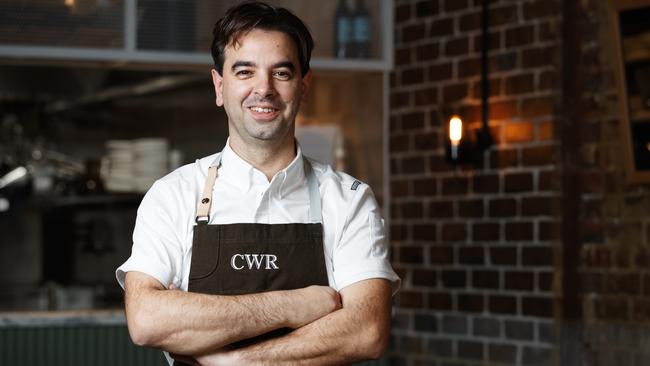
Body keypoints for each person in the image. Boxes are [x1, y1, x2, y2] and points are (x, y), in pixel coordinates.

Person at [116, 2, 400, 365]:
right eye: (245, 71)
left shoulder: (349, 200)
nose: (263, 89)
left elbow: (366, 331)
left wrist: (236, 361)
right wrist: (297, 305)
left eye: (281, 73)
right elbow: (146, 320)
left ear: (304, 86)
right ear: (220, 86)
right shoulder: (174, 194)